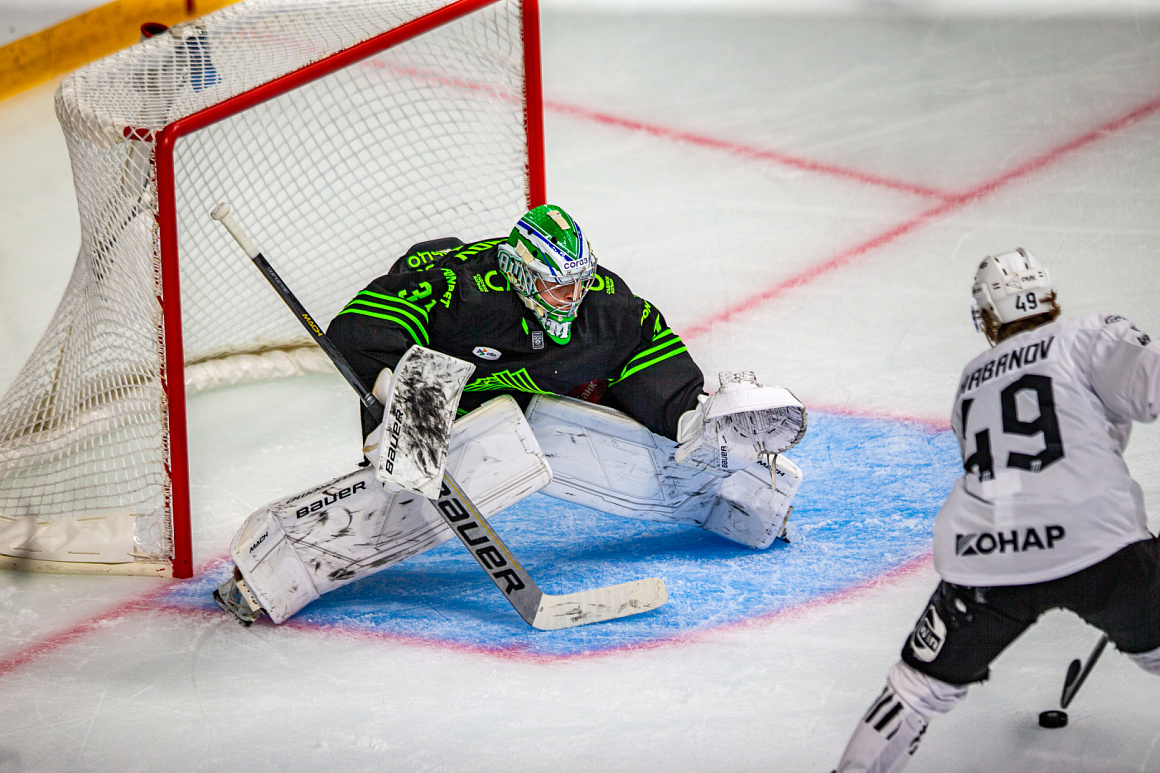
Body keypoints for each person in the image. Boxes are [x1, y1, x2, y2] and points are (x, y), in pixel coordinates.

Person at [213, 204, 808, 625]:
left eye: (579, 282)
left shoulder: (606, 307)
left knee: (580, 436)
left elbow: (650, 360)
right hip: (438, 396)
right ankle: (274, 569)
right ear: (521, 273)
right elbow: (360, 330)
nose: (571, 298)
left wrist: (690, 418)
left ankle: (745, 504)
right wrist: (399, 393)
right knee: (475, 459)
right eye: (557, 288)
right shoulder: (457, 289)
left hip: (532, 395)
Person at [833, 248, 1160, 772]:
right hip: (1100, 545)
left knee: (914, 688)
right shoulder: (1089, 335)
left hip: (987, 556)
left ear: (987, 315)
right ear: (1048, 297)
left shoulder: (971, 381)